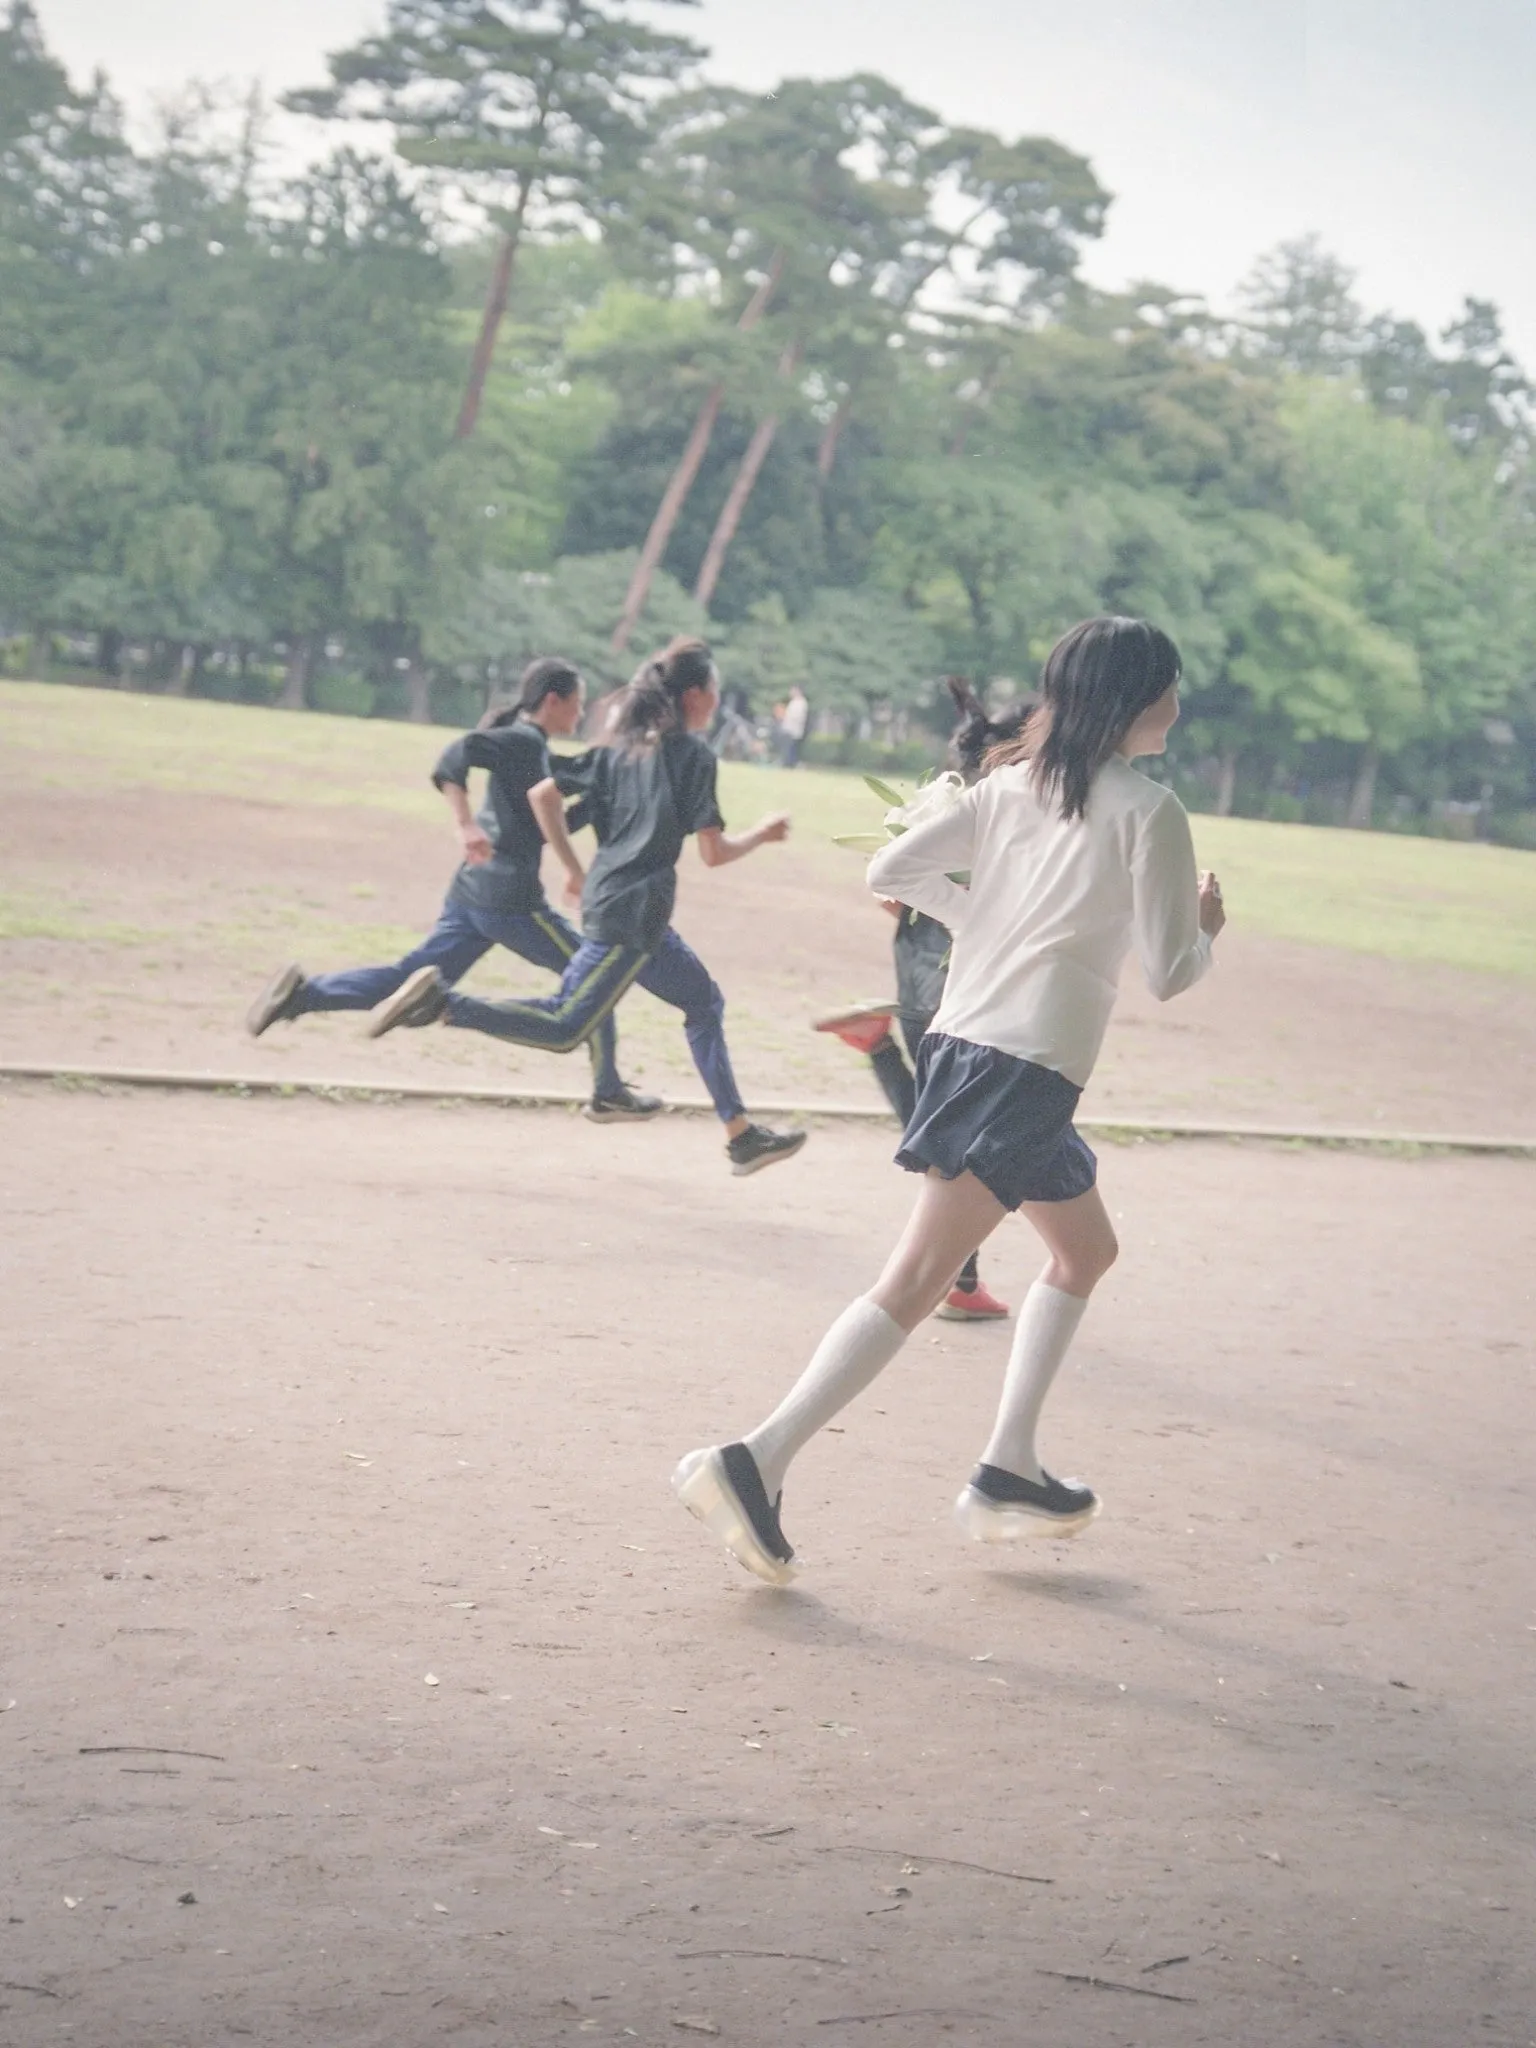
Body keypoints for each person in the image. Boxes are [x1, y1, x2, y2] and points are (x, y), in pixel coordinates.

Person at [674, 616, 1226, 1582]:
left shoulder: (1008, 785)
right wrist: (1210, 921)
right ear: (1138, 698)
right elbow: (1175, 971)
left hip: (979, 1050)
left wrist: (992, 925)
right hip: (1027, 1067)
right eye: (1171, 688)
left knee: (1085, 1250)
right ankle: (752, 1460)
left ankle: (1009, 1468)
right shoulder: (1152, 811)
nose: (1179, 707)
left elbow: (892, 871)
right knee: (919, 1274)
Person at [367, 637, 811, 1178]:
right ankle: (443, 1004)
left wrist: (576, 868)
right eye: (714, 692)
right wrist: (763, 835)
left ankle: (741, 1137)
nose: (716, 703)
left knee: (703, 1002)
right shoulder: (691, 755)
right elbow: (714, 853)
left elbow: (543, 797)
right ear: (695, 695)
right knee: (563, 1025)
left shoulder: (618, 749)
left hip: (629, 912)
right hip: (631, 917)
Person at [243, 656, 659, 1124]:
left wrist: (598, 798)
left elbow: (541, 821)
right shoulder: (522, 741)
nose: (580, 716)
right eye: (577, 705)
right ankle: (607, 1090)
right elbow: (454, 758)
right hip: (510, 900)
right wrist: (463, 824)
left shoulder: (533, 750)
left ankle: (303, 996)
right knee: (594, 980)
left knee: (408, 976)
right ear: (552, 701)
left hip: (472, 893)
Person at [813, 680, 1031, 1323]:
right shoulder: (1009, 810)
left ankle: (962, 1283)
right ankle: (876, 1045)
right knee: (959, 1136)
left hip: (915, 970)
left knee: (950, 1132)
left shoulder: (950, 801)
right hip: (961, 985)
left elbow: (893, 887)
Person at [777, 684, 810, 768]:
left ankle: (792, 764)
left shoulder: (801, 703)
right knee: (787, 748)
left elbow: (798, 717)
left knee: (792, 749)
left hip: (794, 730)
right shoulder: (793, 702)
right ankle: (787, 763)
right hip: (788, 729)